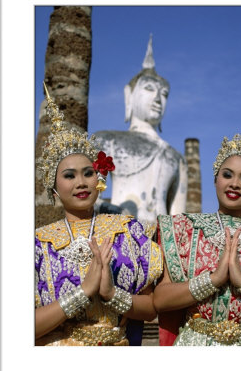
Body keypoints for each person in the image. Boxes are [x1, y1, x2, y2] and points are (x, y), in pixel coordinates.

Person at [154, 94, 241, 346]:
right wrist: (214, 279)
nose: (235, 184)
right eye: (227, 175)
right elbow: (159, 300)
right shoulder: (182, 229)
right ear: (216, 178)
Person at [35, 82, 163, 346]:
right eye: (69, 176)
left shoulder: (128, 230)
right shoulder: (38, 244)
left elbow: (150, 307)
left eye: (88, 173)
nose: (81, 182)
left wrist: (111, 293)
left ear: (99, 178)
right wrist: (83, 293)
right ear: (54, 189)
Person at [93, 35, 187, 224]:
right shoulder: (107, 140)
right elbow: (86, 197)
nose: (159, 99)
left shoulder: (176, 158)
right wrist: (108, 209)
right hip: (117, 231)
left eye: (164, 94)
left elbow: (178, 219)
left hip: (159, 240)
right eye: (150, 89)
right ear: (129, 95)